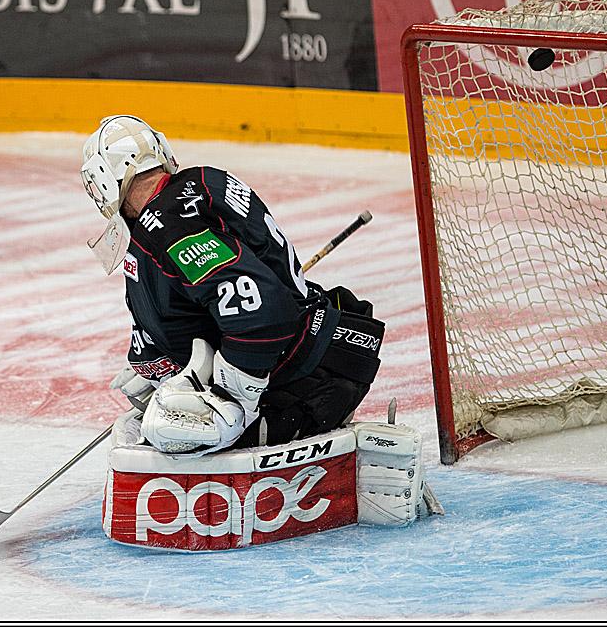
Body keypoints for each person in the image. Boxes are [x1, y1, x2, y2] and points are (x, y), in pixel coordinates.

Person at [80, 115, 385, 457]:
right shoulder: (198, 185)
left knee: (166, 433)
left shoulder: (166, 227)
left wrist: (234, 395)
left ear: (103, 180)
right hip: (322, 359)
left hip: (302, 381)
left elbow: (264, 314)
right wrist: (157, 360)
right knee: (158, 420)